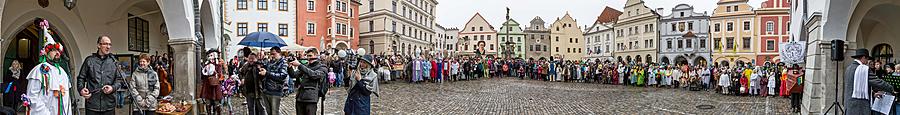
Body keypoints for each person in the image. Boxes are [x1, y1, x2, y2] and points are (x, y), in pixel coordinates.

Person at [24, 27, 72, 115]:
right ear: (46, 53)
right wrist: (45, 113)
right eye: (53, 50)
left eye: (58, 51)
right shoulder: (39, 70)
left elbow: (66, 98)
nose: (57, 53)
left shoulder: (63, 72)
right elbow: (32, 96)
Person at [78, 35, 124, 115]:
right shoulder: (89, 60)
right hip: (92, 104)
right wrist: (81, 89)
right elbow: (81, 78)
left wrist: (112, 88)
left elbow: (119, 80)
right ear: (98, 45)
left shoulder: (114, 62)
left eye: (110, 44)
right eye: (105, 44)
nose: (108, 47)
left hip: (109, 105)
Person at [844, 49, 893, 115]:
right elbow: (877, 82)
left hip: (849, 104)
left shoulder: (849, 68)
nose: (867, 62)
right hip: (859, 106)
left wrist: (873, 94)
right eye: (867, 59)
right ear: (863, 57)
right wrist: (891, 88)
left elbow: (856, 87)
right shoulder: (864, 69)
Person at [294, 48, 328, 115]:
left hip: (311, 98)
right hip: (300, 97)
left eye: (310, 56)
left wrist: (300, 65)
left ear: (316, 55)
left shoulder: (322, 67)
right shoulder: (306, 66)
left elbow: (314, 75)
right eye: (307, 56)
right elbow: (294, 75)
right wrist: (289, 67)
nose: (308, 58)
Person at [261, 47, 289, 115]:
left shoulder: (283, 62)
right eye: (271, 54)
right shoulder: (271, 62)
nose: (272, 56)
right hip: (266, 90)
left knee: (274, 112)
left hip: (275, 91)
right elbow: (267, 71)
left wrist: (267, 73)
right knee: (269, 112)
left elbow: (282, 75)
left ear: (279, 53)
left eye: (273, 54)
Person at [239, 48, 265, 115]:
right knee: (250, 108)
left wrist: (260, 68)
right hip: (248, 91)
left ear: (256, 58)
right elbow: (240, 73)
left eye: (252, 58)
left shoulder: (259, 65)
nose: (251, 60)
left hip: (258, 91)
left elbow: (263, 78)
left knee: (261, 108)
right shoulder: (246, 66)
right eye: (249, 58)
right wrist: (242, 78)